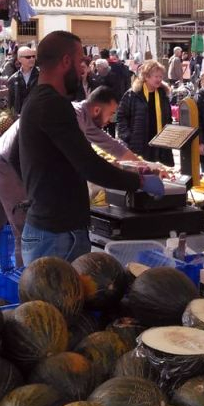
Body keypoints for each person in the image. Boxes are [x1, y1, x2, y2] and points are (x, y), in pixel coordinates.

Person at [17, 31, 162, 264]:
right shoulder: (52, 104)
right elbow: (90, 166)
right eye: (79, 61)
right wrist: (140, 182)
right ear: (66, 61)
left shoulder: (38, 100)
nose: (83, 68)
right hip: (57, 234)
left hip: (51, 228)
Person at [0, 85, 141, 274]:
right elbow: (85, 163)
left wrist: (143, 165)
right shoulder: (71, 115)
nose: (110, 120)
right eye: (110, 113)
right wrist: (136, 179)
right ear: (97, 109)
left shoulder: (82, 117)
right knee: (24, 231)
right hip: (7, 168)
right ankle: (24, 289)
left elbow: (111, 145)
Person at [117, 60, 174, 166]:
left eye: (161, 76)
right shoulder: (133, 94)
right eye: (156, 76)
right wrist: (128, 137)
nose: (159, 79)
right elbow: (121, 117)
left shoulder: (162, 94)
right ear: (146, 77)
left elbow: (168, 117)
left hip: (161, 145)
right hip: (139, 143)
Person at [7, 46, 38, 114]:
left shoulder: (41, 75)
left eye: (33, 56)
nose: (32, 59)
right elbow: (11, 103)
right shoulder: (13, 79)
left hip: (38, 116)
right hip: (20, 117)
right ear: (19, 59)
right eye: (28, 57)